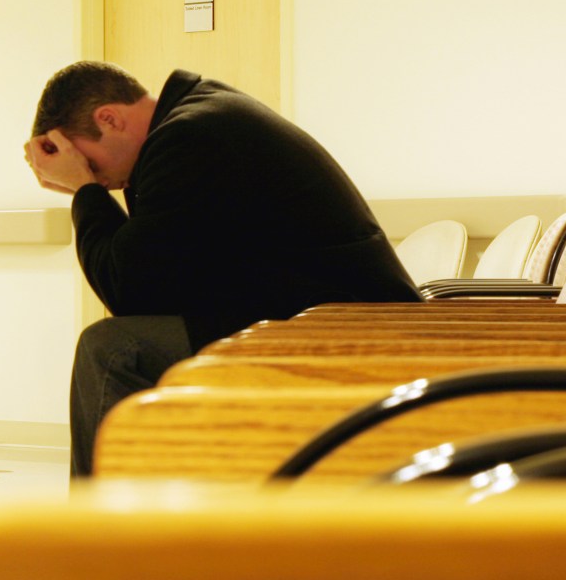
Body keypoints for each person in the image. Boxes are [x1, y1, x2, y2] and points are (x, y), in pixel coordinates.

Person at [24, 61, 421, 476]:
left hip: (344, 331)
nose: (97, 177)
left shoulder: (190, 137)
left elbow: (127, 290)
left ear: (109, 119)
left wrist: (84, 192)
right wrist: (90, 185)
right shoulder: (202, 120)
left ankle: (104, 535)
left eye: (89, 163)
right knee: (130, 343)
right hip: (319, 316)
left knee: (111, 349)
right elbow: (156, 281)